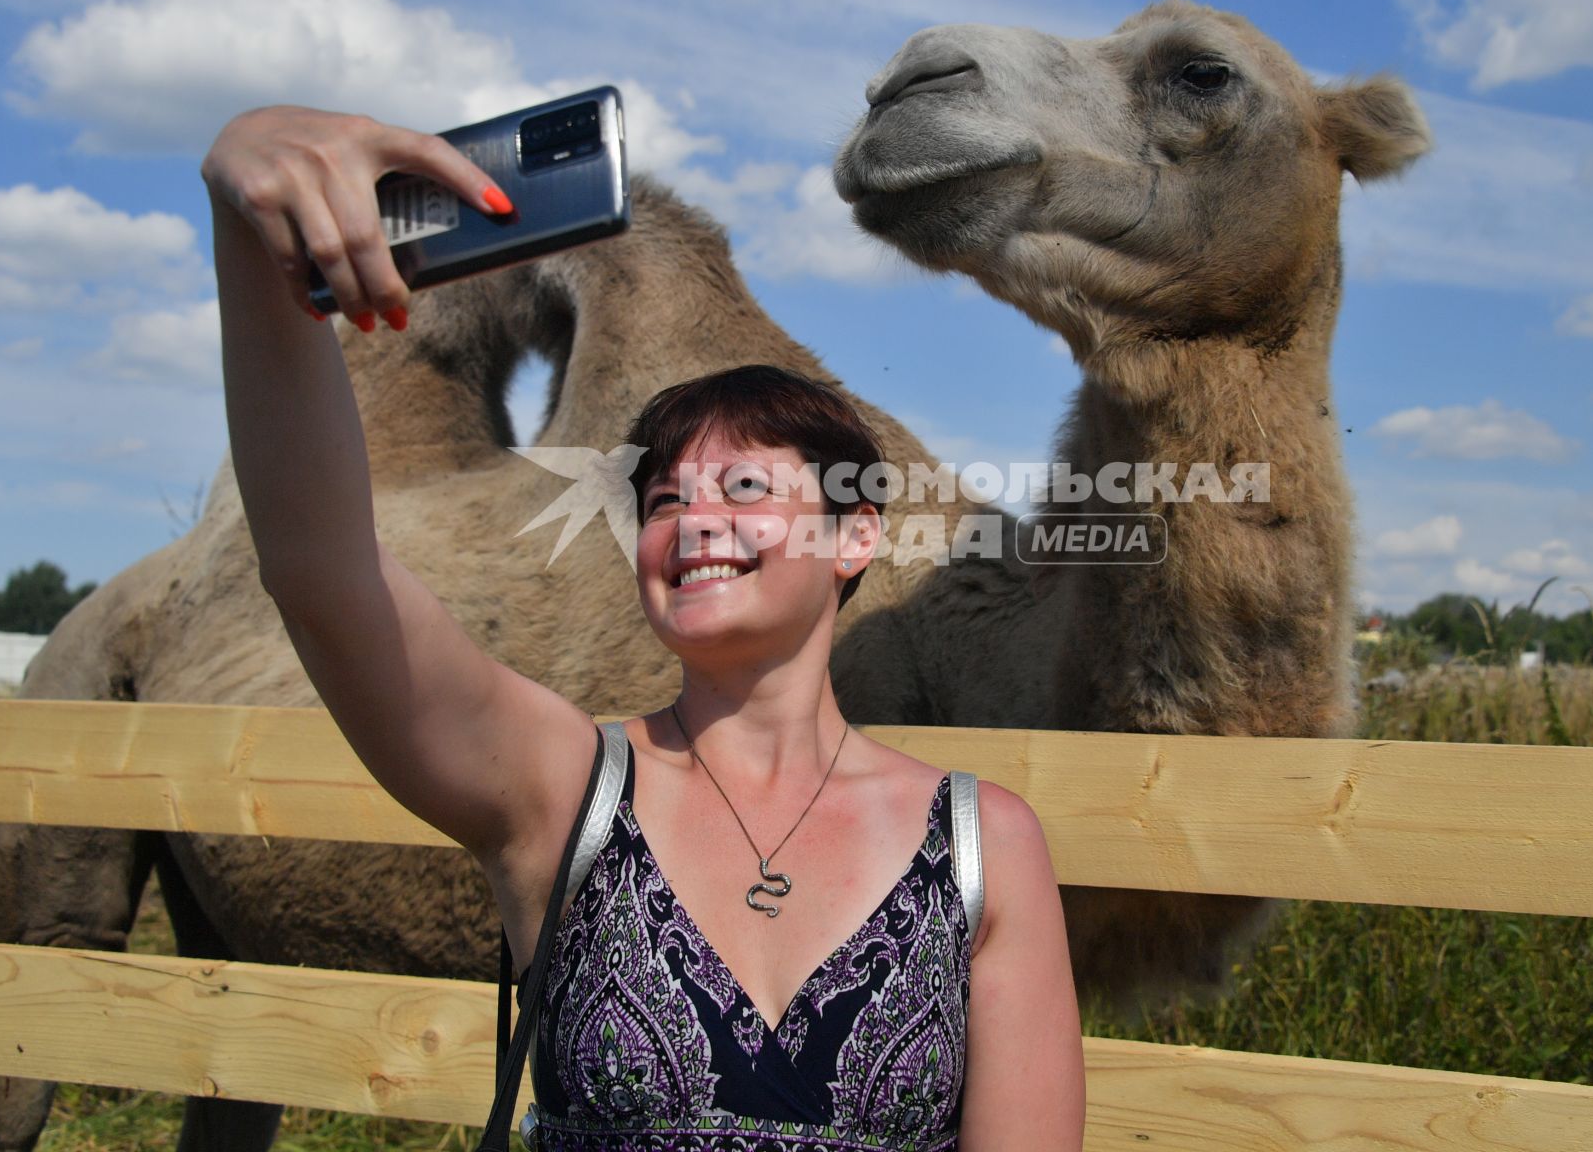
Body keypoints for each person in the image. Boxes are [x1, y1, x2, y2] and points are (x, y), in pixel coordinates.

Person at [203, 104, 1086, 1148]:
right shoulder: (560, 789)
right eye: (662, 499)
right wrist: (242, 217)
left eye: (745, 484)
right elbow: (320, 570)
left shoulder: (985, 846)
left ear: (855, 540)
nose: (695, 515)